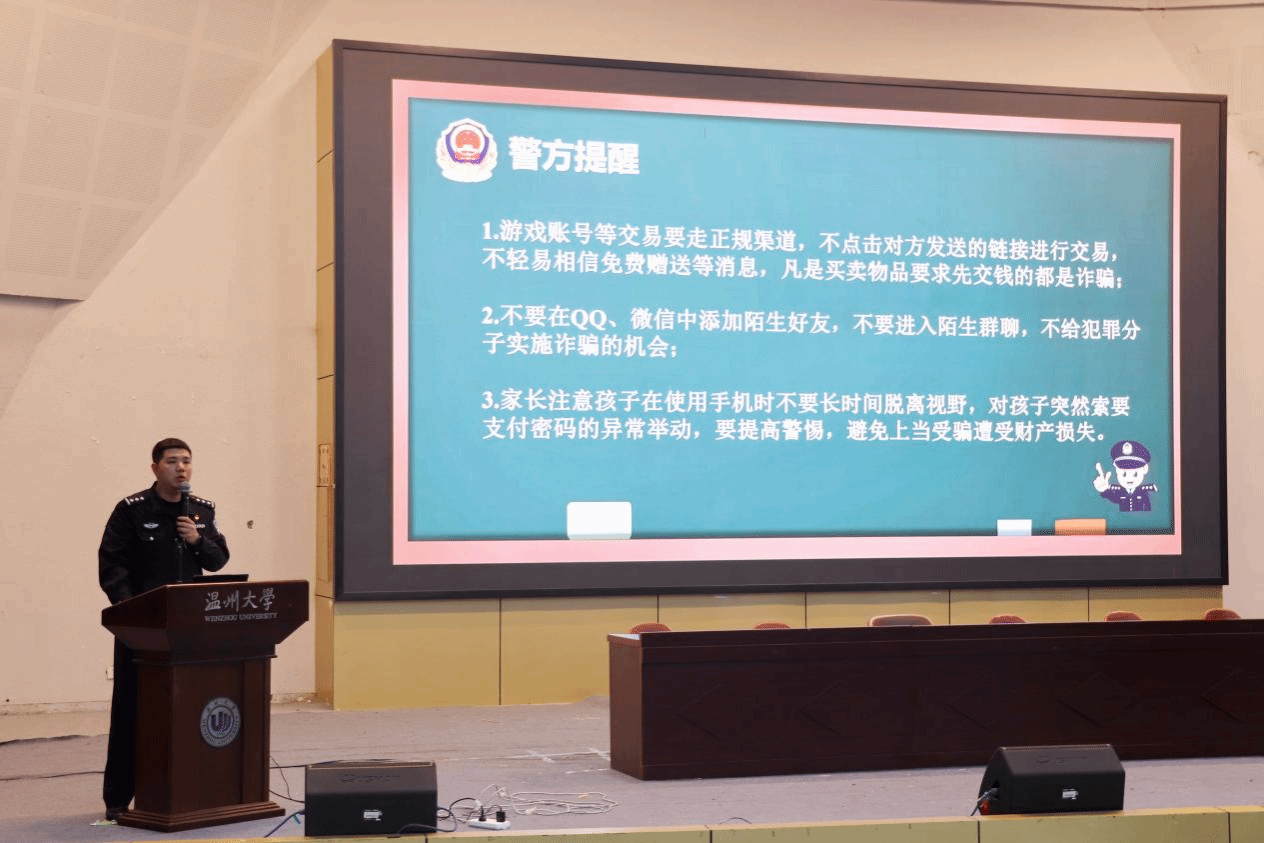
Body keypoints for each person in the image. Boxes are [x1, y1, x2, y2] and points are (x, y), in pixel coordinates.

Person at [97, 437, 230, 821]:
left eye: (186, 461)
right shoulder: (131, 510)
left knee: (191, 708)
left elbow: (218, 560)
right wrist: (132, 613)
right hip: (143, 628)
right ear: (155, 468)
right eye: (172, 461)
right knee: (132, 711)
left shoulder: (201, 510)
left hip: (191, 629)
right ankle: (118, 799)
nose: (181, 468)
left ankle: (191, 790)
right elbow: (112, 564)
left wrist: (196, 539)